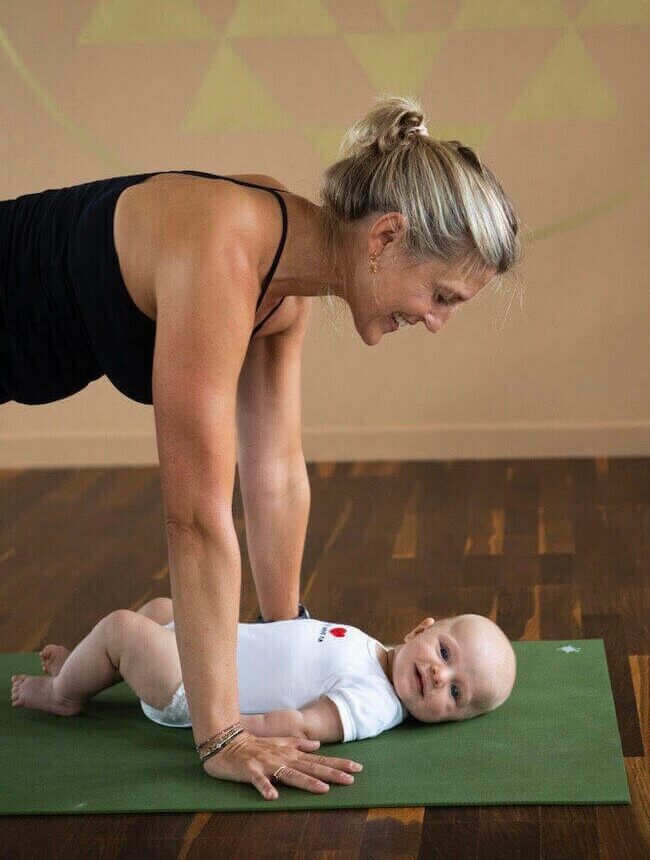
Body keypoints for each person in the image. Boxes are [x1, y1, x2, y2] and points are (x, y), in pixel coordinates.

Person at [0, 95, 521, 799]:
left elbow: (273, 474)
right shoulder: (228, 255)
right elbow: (196, 515)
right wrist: (222, 734)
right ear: (386, 236)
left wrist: (285, 635)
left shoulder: (288, 283)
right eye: (443, 296)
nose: (436, 321)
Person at [11, 597, 516, 798]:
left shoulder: (376, 704)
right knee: (164, 606)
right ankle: (90, 664)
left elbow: (300, 723)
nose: (437, 672)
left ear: (449, 720)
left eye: (455, 691)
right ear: (420, 629)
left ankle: (61, 692)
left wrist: (225, 724)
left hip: (195, 689)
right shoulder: (373, 649)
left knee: (123, 628)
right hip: (204, 649)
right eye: (444, 651)